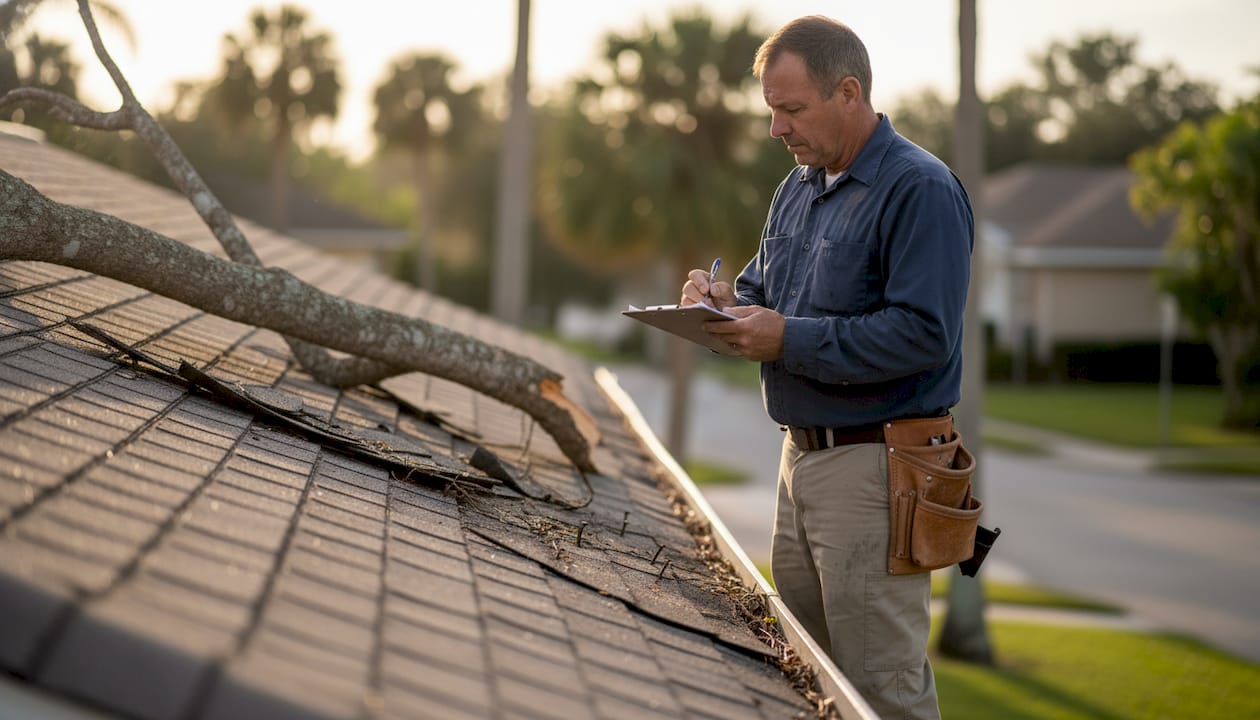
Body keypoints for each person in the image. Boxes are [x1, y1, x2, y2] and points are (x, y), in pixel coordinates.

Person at [679, 15, 973, 720]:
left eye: (792, 109)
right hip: (799, 463)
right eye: (771, 111)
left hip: (876, 470)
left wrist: (788, 340)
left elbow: (923, 335)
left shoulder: (920, 189)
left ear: (849, 92)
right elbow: (762, 292)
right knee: (806, 675)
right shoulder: (799, 185)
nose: (777, 128)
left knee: (882, 693)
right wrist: (722, 302)